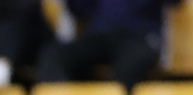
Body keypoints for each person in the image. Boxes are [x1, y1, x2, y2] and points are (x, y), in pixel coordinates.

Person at [34, 0, 175, 87]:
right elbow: (80, 10)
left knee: (131, 65)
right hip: (99, 34)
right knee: (54, 56)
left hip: (139, 35)